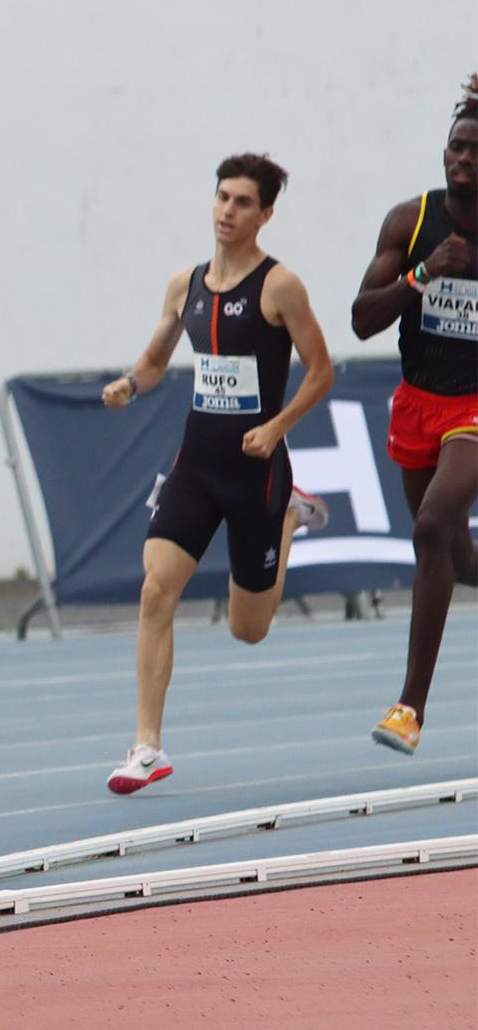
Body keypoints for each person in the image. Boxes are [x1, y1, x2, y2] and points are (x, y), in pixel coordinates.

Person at [100, 153, 332, 793]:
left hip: (256, 472)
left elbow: (321, 371)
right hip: (197, 463)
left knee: (247, 630)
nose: (228, 211)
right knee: (155, 591)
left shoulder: (281, 286)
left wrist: (277, 427)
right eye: (222, 198)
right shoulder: (187, 284)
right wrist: (128, 384)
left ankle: (288, 516)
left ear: (265, 214)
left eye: (243, 203)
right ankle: (147, 747)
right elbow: (153, 362)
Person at [352, 76, 478, 755]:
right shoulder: (411, 220)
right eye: (456, 146)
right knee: (453, 555)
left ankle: (409, 709)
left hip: (476, 409)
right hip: (418, 403)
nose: (462, 158)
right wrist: (421, 275)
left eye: (475, 150)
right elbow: (361, 318)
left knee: (432, 525)